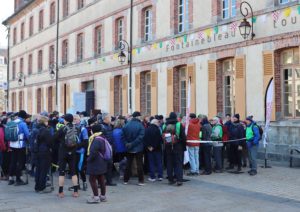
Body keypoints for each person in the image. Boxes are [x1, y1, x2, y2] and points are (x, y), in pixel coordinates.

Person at [55, 114, 79, 198]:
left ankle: (61, 192)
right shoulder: (76, 128)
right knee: (73, 172)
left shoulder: (63, 128)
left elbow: (55, 138)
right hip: (73, 152)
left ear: (65, 120)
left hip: (63, 152)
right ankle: (76, 192)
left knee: (62, 172)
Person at [162, 112, 186, 186]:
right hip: (178, 146)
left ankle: (170, 180)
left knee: (169, 163)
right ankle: (179, 180)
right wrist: (183, 146)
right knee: (178, 163)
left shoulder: (164, 125)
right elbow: (183, 137)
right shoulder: (179, 124)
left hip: (168, 147)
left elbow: (162, 136)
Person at [122, 111, 145, 186]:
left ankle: (126, 180)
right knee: (139, 164)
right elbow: (141, 137)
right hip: (138, 147)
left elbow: (123, 137)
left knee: (128, 164)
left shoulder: (126, 125)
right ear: (138, 117)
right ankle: (140, 181)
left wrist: (127, 144)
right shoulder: (140, 125)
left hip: (129, 147)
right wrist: (132, 144)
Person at [86, 124, 108, 204]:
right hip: (102, 161)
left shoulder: (96, 139)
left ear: (94, 130)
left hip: (96, 162)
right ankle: (103, 196)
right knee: (101, 179)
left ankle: (96, 197)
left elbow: (93, 152)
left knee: (92, 179)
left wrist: (88, 159)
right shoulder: (102, 137)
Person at [8, 110, 30, 186]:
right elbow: (27, 135)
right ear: (24, 116)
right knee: (20, 162)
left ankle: (10, 178)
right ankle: (18, 179)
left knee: (13, 161)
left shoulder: (13, 122)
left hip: (12, 144)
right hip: (20, 145)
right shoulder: (22, 124)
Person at [69, 114, 89, 191]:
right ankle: (76, 185)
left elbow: (85, 141)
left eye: (75, 119)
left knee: (80, 168)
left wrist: (77, 146)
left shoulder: (83, 128)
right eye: (73, 119)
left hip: (80, 151)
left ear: (79, 120)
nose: (74, 120)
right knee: (74, 168)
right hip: (73, 151)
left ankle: (84, 183)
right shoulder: (71, 128)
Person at [34, 116, 53, 193]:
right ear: (44, 122)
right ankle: (42, 187)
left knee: (38, 169)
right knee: (44, 170)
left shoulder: (36, 129)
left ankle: (37, 186)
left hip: (38, 151)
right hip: (45, 151)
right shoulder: (46, 131)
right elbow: (50, 142)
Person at [100, 113, 116, 186]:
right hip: (104, 148)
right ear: (105, 119)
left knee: (109, 164)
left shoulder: (109, 126)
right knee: (103, 165)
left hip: (109, 147)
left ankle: (109, 181)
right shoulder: (102, 127)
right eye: (109, 117)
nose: (110, 119)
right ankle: (101, 182)